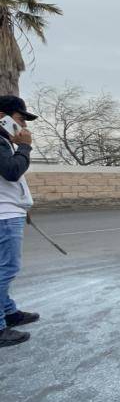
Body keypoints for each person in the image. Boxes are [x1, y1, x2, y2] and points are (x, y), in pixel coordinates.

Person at [0, 95, 39, 347]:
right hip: (4, 216)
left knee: (5, 268)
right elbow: (12, 171)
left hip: (8, 213)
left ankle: (9, 312)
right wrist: (25, 147)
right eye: (20, 118)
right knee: (6, 270)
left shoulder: (4, 141)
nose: (23, 126)